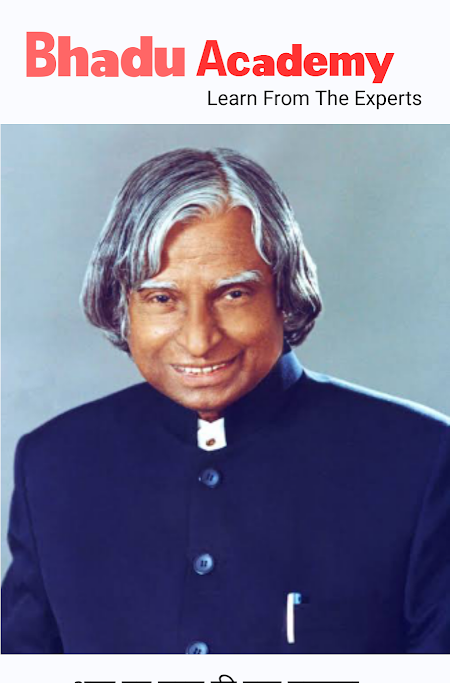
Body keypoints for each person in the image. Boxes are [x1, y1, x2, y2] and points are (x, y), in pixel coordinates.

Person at [2, 148, 449, 654]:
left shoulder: (421, 457)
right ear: (122, 305)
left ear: (284, 296)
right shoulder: (54, 463)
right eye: (162, 298)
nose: (199, 340)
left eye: (233, 295)